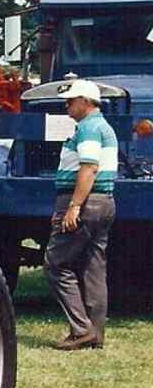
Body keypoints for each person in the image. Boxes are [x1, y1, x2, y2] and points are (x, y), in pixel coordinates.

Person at [44, 79, 116, 351]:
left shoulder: (87, 129)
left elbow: (89, 167)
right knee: (93, 267)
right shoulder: (102, 126)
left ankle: (81, 329)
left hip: (83, 201)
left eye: (71, 101)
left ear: (86, 102)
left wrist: (74, 206)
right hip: (104, 201)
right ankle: (95, 333)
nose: (67, 105)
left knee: (55, 264)